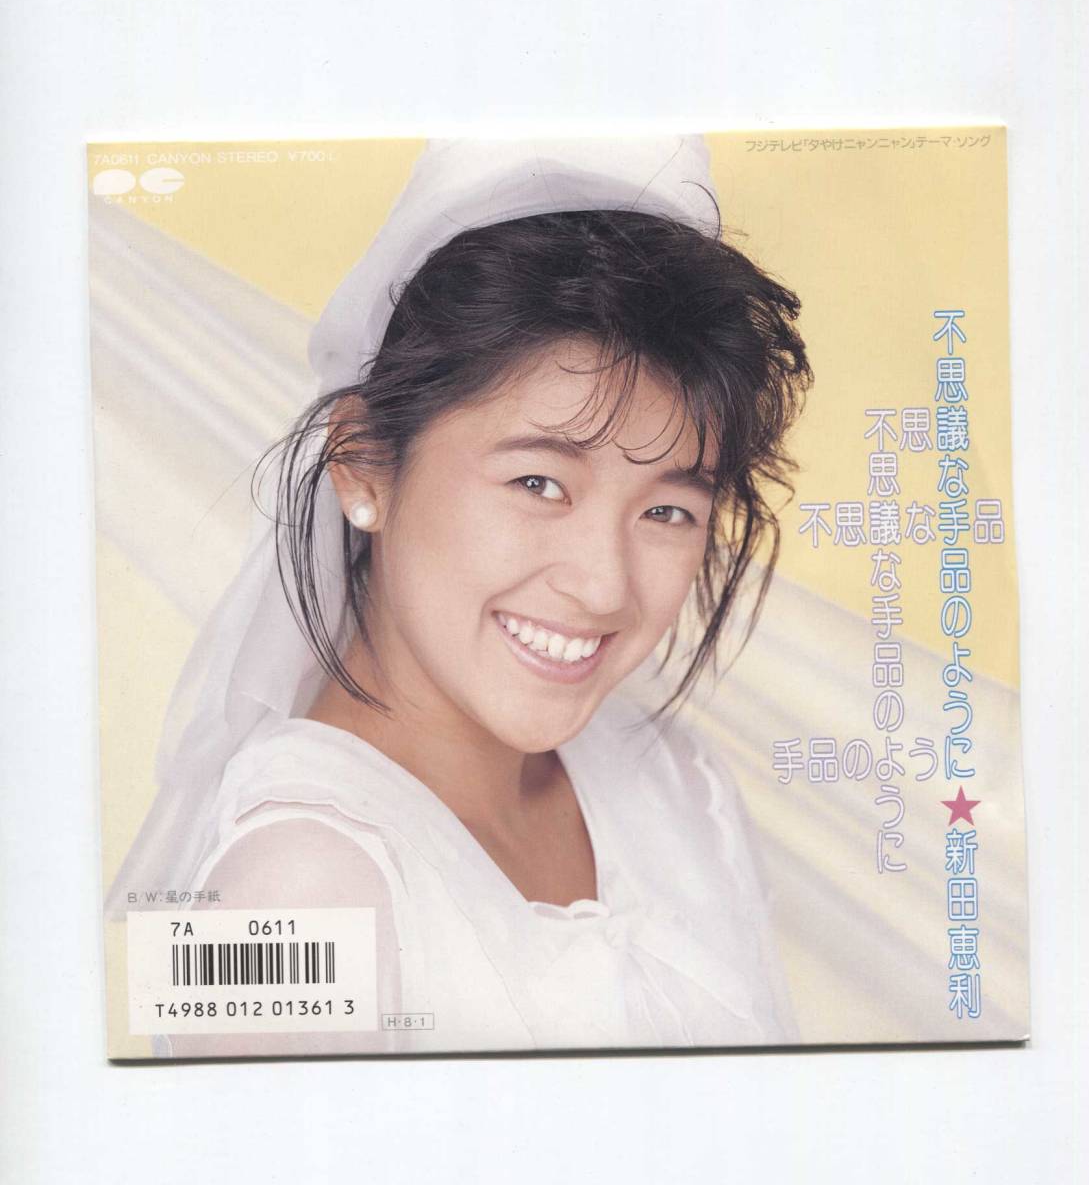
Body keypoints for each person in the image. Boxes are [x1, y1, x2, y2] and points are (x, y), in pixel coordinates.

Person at [110, 136, 812, 1056]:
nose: (603, 585)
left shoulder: (676, 782)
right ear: (362, 462)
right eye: (538, 484)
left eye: (668, 510)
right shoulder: (282, 893)